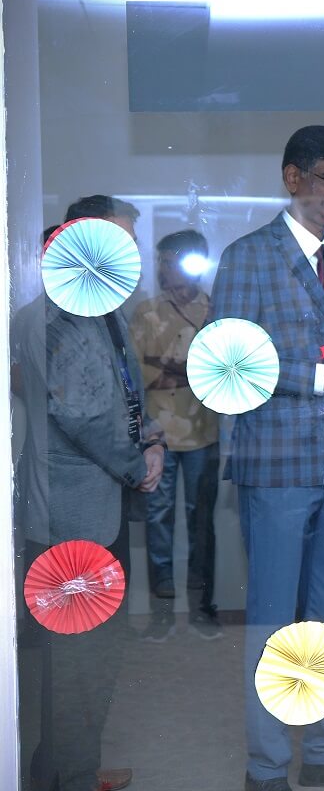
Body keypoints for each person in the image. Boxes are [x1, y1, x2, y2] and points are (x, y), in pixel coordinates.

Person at [207, 125, 324, 791]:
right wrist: (323, 378)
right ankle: (265, 768)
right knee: (271, 623)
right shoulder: (249, 257)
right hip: (278, 468)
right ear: (293, 179)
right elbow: (228, 359)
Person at [14, 195, 165, 791]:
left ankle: (69, 768)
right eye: (115, 240)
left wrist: (151, 439)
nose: (126, 254)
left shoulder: (101, 308)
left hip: (101, 507)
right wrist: (136, 464)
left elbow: (125, 396)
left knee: (91, 655)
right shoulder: (52, 318)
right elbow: (82, 416)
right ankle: (69, 776)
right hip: (71, 514)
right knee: (75, 661)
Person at [130, 229, 221, 642]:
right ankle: (162, 614)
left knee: (202, 522)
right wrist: (188, 370)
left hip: (204, 431)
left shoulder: (215, 310)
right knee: (158, 520)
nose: (164, 269)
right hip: (157, 437)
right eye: (162, 261)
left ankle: (203, 609)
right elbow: (137, 375)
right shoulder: (146, 311)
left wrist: (168, 367)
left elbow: (222, 369)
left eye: (172, 261)